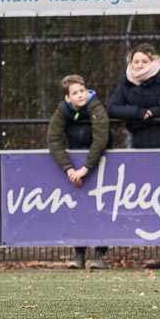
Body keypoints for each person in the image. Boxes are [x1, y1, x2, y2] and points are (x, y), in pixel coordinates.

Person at [107, 43, 160, 269]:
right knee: (153, 200)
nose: (139, 65)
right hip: (141, 147)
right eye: (136, 61)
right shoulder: (127, 81)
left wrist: (148, 114)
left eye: (144, 61)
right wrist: (140, 113)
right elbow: (113, 108)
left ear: (153, 61)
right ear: (130, 63)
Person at [46, 74, 112, 270]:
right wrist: (68, 168)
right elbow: (53, 139)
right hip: (75, 168)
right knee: (78, 208)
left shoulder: (96, 107)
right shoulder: (63, 111)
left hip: (99, 164)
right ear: (68, 98)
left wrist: (85, 169)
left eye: (82, 91)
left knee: (102, 208)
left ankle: (100, 255)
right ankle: (78, 254)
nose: (80, 95)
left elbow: (101, 138)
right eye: (75, 93)